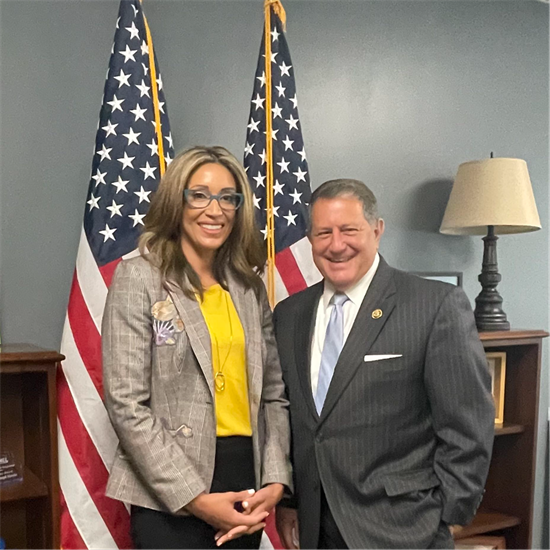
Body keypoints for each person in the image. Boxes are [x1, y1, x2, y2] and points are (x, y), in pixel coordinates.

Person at [273, 179, 495, 550]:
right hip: (315, 529)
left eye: (349, 230)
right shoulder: (289, 314)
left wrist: (450, 513)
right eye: (323, 232)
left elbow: (468, 423)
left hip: (404, 529)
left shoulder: (434, 305)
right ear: (309, 240)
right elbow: (296, 421)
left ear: (377, 231)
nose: (336, 244)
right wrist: (291, 501)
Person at [102, 146, 292, 550]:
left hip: (245, 480)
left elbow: (273, 393)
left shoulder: (248, 287)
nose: (215, 209)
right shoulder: (139, 278)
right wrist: (195, 498)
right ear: (177, 200)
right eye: (200, 194)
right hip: (170, 487)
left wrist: (275, 479)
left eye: (228, 197)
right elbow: (126, 404)